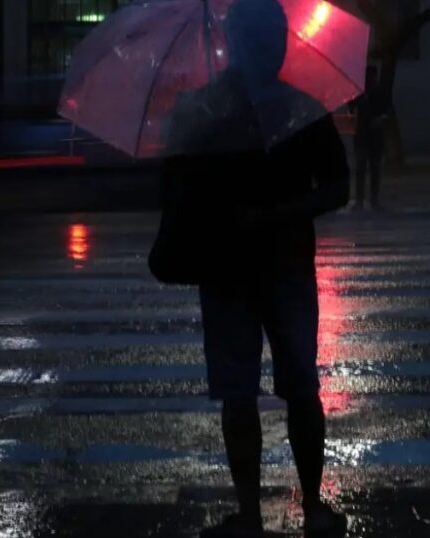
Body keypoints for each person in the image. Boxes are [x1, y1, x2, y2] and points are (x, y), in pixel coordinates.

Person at [155, 0, 350, 536]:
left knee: (266, 390)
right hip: (258, 267)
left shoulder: (226, 108)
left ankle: (261, 514)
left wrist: (264, 212)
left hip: (247, 268)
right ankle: (303, 509)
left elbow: (338, 185)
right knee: (276, 390)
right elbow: (337, 186)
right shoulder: (282, 108)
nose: (270, 47)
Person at [349, 65, 389, 210]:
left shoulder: (380, 92)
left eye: (371, 77)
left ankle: (373, 199)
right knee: (361, 168)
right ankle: (360, 200)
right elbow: (351, 107)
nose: (370, 80)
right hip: (362, 134)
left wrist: (379, 119)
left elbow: (386, 111)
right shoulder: (359, 93)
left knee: (374, 168)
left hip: (374, 136)